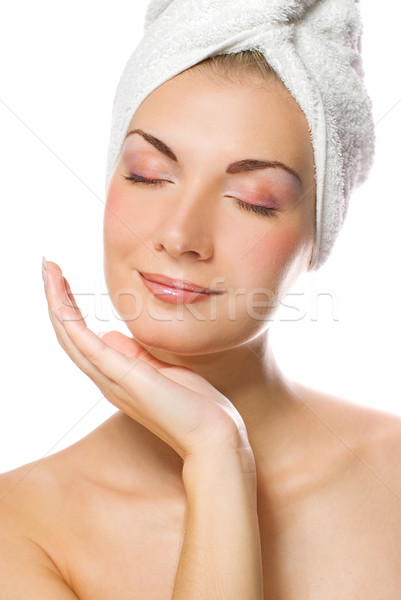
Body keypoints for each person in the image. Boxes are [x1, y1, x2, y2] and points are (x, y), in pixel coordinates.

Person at [1, 2, 400, 598]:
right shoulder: (20, 526)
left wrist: (219, 451)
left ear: (318, 236)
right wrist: (216, 456)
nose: (180, 236)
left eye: (254, 200)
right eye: (148, 173)